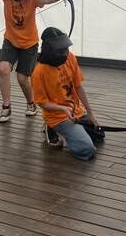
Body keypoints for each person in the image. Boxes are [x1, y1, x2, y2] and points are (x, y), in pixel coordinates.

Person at [0, 0, 70, 123]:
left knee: (22, 78)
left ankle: (31, 103)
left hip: (29, 44)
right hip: (11, 41)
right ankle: (6, 106)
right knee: (3, 69)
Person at [31, 27, 100, 161]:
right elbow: (42, 103)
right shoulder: (39, 72)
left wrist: (90, 113)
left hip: (75, 111)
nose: (65, 53)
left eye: (66, 49)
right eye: (61, 50)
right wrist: (62, 109)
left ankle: (73, 132)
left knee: (98, 134)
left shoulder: (70, 58)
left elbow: (78, 87)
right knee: (87, 149)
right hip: (58, 116)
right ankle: (51, 127)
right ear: (49, 50)